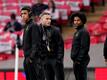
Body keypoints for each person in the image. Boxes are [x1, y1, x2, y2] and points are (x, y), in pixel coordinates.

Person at [21, 6, 45, 80]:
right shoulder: (26, 26)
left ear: (30, 14)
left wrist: (31, 57)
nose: (23, 15)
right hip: (27, 58)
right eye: (21, 14)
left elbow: (36, 43)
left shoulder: (33, 25)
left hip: (33, 59)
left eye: (25, 13)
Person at [39, 12, 65, 80]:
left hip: (55, 58)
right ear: (41, 20)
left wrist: (59, 59)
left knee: (60, 78)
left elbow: (60, 45)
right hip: (45, 59)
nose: (49, 20)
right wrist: (42, 58)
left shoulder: (56, 30)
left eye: (50, 19)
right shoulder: (37, 30)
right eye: (47, 19)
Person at [70, 12, 90, 80]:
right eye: (75, 20)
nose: (76, 22)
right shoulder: (78, 31)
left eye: (78, 20)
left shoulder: (83, 32)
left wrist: (78, 60)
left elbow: (84, 48)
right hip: (76, 61)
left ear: (82, 21)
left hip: (80, 62)